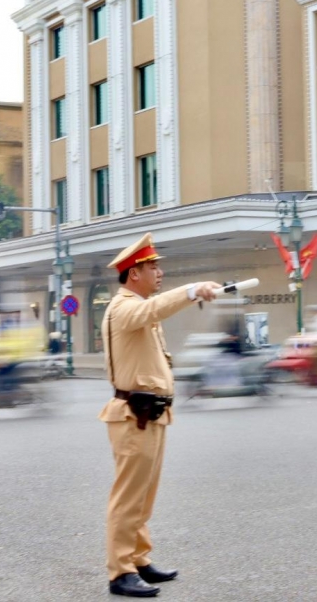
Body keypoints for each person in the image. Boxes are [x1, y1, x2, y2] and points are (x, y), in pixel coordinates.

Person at [99, 232, 220, 598]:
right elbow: (153, 309)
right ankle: (120, 572)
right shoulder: (124, 307)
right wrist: (192, 290)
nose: (160, 272)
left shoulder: (139, 306)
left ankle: (138, 559)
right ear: (134, 273)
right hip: (134, 415)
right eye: (153, 266)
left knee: (144, 496)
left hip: (151, 414)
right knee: (128, 497)